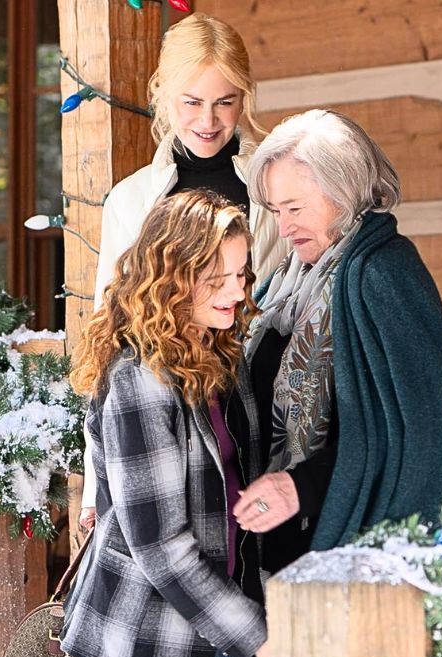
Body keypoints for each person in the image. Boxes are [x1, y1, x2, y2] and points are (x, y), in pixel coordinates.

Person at [80, 14, 290, 530]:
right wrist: (94, 481)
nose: (208, 120)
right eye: (191, 102)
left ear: (245, 97)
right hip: (166, 421)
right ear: (162, 94)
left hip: (263, 405)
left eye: (226, 101)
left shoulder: (273, 183)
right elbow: (109, 335)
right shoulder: (130, 201)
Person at [233, 109, 442, 573]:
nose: (283, 227)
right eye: (277, 211)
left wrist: (301, 486)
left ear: (343, 192)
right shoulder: (286, 280)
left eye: (295, 209)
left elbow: (413, 431)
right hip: (276, 537)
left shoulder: (384, 273)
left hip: (345, 541)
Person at [62, 191, 269, 657]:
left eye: (239, 275)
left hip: (221, 619)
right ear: (170, 278)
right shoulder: (141, 378)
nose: (237, 293)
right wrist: (260, 640)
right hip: (155, 643)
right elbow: (160, 546)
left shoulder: (217, 352)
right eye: (217, 279)